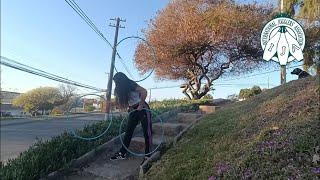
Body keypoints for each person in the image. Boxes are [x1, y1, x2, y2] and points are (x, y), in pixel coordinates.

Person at [110, 72, 152, 163]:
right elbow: (119, 104)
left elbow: (144, 91)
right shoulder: (119, 89)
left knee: (146, 132)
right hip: (132, 110)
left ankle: (148, 154)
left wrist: (141, 105)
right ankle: (122, 153)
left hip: (143, 108)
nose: (116, 84)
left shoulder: (130, 84)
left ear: (121, 80)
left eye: (117, 82)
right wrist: (111, 103)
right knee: (128, 132)